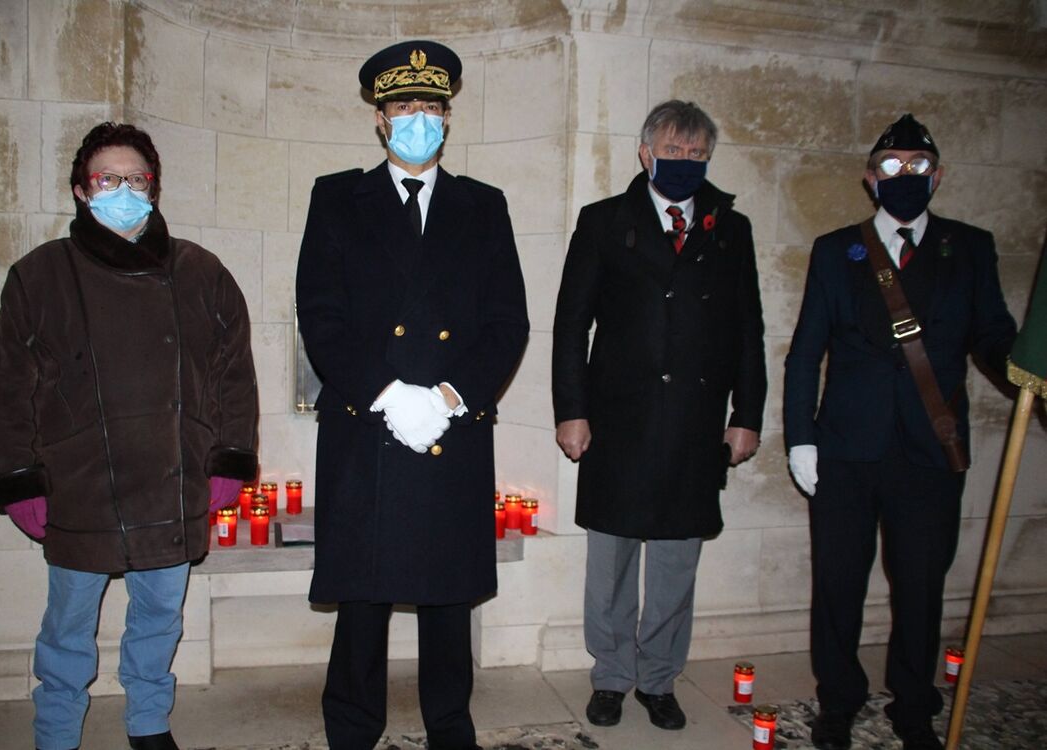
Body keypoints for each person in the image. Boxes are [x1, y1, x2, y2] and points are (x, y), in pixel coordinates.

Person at [0, 122, 259, 750]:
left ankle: (149, 722)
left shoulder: (202, 272)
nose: (123, 190)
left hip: (172, 480)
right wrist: (18, 477)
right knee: (68, 629)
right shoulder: (39, 276)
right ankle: (56, 730)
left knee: (160, 617)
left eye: (136, 178)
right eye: (108, 179)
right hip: (79, 488)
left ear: (154, 188)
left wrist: (228, 459)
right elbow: (5, 392)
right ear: (82, 190)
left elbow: (234, 377)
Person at [295, 40, 529, 750]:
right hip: (369, 425)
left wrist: (450, 395)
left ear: (448, 117)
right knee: (363, 598)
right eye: (403, 105)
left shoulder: (483, 206)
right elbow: (321, 317)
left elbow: (506, 322)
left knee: (446, 596)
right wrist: (389, 392)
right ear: (379, 117)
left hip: (450, 428)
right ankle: (352, 728)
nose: (417, 117)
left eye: (431, 105)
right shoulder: (336, 197)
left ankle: (450, 728)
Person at [784, 114, 1017, 750]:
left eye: (918, 167)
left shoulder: (969, 247)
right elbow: (807, 350)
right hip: (847, 448)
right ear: (870, 179)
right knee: (837, 584)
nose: (905, 177)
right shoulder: (839, 249)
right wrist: (800, 437)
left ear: (937, 177)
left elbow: (992, 334)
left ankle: (914, 706)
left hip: (929, 449)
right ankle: (838, 699)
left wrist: (1027, 367)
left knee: (920, 585)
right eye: (892, 167)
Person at [552, 100, 767, 731]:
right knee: (612, 560)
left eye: (696, 154)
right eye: (672, 152)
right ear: (646, 153)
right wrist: (572, 411)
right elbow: (571, 326)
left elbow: (748, 329)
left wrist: (746, 413)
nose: (684, 163)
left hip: (695, 424)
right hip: (618, 420)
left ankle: (658, 679)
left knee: (676, 563)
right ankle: (612, 677)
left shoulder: (732, 229)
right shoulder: (602, 222)